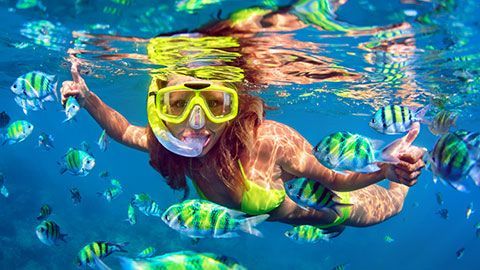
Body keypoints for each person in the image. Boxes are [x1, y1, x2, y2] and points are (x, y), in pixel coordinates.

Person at [61, 0, 426, 232]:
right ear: (158, 104)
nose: (195, 122)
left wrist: (385, 171)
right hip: (282, 215)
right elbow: (124, 130)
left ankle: (404, 163)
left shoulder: (269, 142)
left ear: (235, 108)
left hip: (334, 210)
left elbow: (336, 178)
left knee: (389, 206)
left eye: (215, 104)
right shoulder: (168, 145)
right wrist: (87, 97)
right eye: (178, 104)